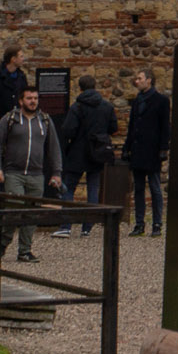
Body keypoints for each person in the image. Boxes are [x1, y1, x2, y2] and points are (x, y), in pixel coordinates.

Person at [0, 84, 63, 262]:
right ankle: (2, 244)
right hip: (14, 173)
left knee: (32, 213)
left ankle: (24, 250)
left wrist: (56, 173)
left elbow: (54, 148)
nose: (33, 101)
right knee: (14, 209)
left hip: (37, 175)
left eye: (35, 98)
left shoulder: (44, 120)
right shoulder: (10, 119)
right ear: (21, 100)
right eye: (29, 98)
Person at [54, 76, 117, 238]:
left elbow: (68, 130)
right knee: (93, 189)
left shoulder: (77, 107)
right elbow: (113, 127)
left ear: (80, 88)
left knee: (69, 188)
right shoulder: (106, 106)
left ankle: (66, 225)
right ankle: (87, 226)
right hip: (97, 152)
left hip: (77, 152)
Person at [123, 69, 170, 237]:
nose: (137, 81)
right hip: (138, 150)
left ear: (149, 80)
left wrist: (164, 148)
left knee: (155, 187)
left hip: (152, 150)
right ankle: (139, 223)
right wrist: (126, 147)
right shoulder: (137, 101)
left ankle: (157, 223)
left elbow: (165, 126)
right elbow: (132, 126)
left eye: (140, 78)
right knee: (139, 188)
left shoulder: (161, 101)